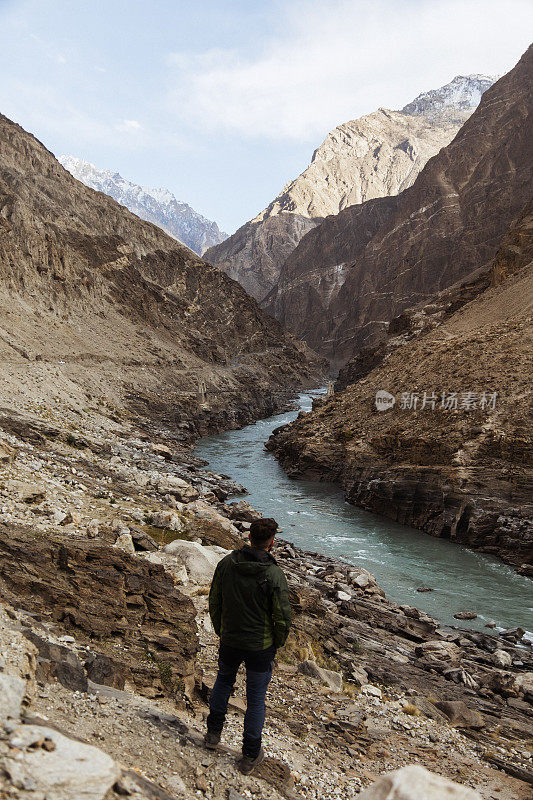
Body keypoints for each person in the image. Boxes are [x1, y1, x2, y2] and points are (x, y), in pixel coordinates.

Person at [204, 517, 291, 774]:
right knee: (255, 700)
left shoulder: (227, 564)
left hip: (230, 639)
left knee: (222, 682)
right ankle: (250, 755)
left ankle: (212, 736)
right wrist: (278, 642)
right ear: (272, 543)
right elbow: (282, 616)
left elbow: (214, 600)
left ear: (249, 537)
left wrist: (221, 629)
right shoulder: (274, 574)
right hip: (260, 646)